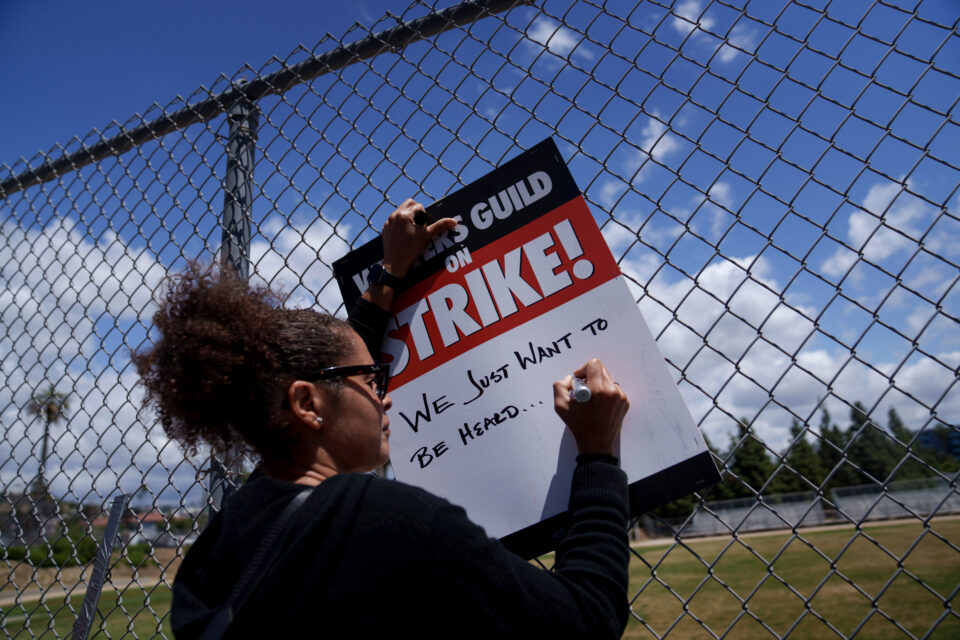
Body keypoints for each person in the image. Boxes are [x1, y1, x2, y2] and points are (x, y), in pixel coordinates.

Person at [133, 199, 632, 639]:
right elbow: (586, 621)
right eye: (373, 383)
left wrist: (390, 276)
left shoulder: (222, 548)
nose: (385, 399)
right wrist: (597, 452)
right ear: (306, 405)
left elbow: (334, 371)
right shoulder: (386, 521)